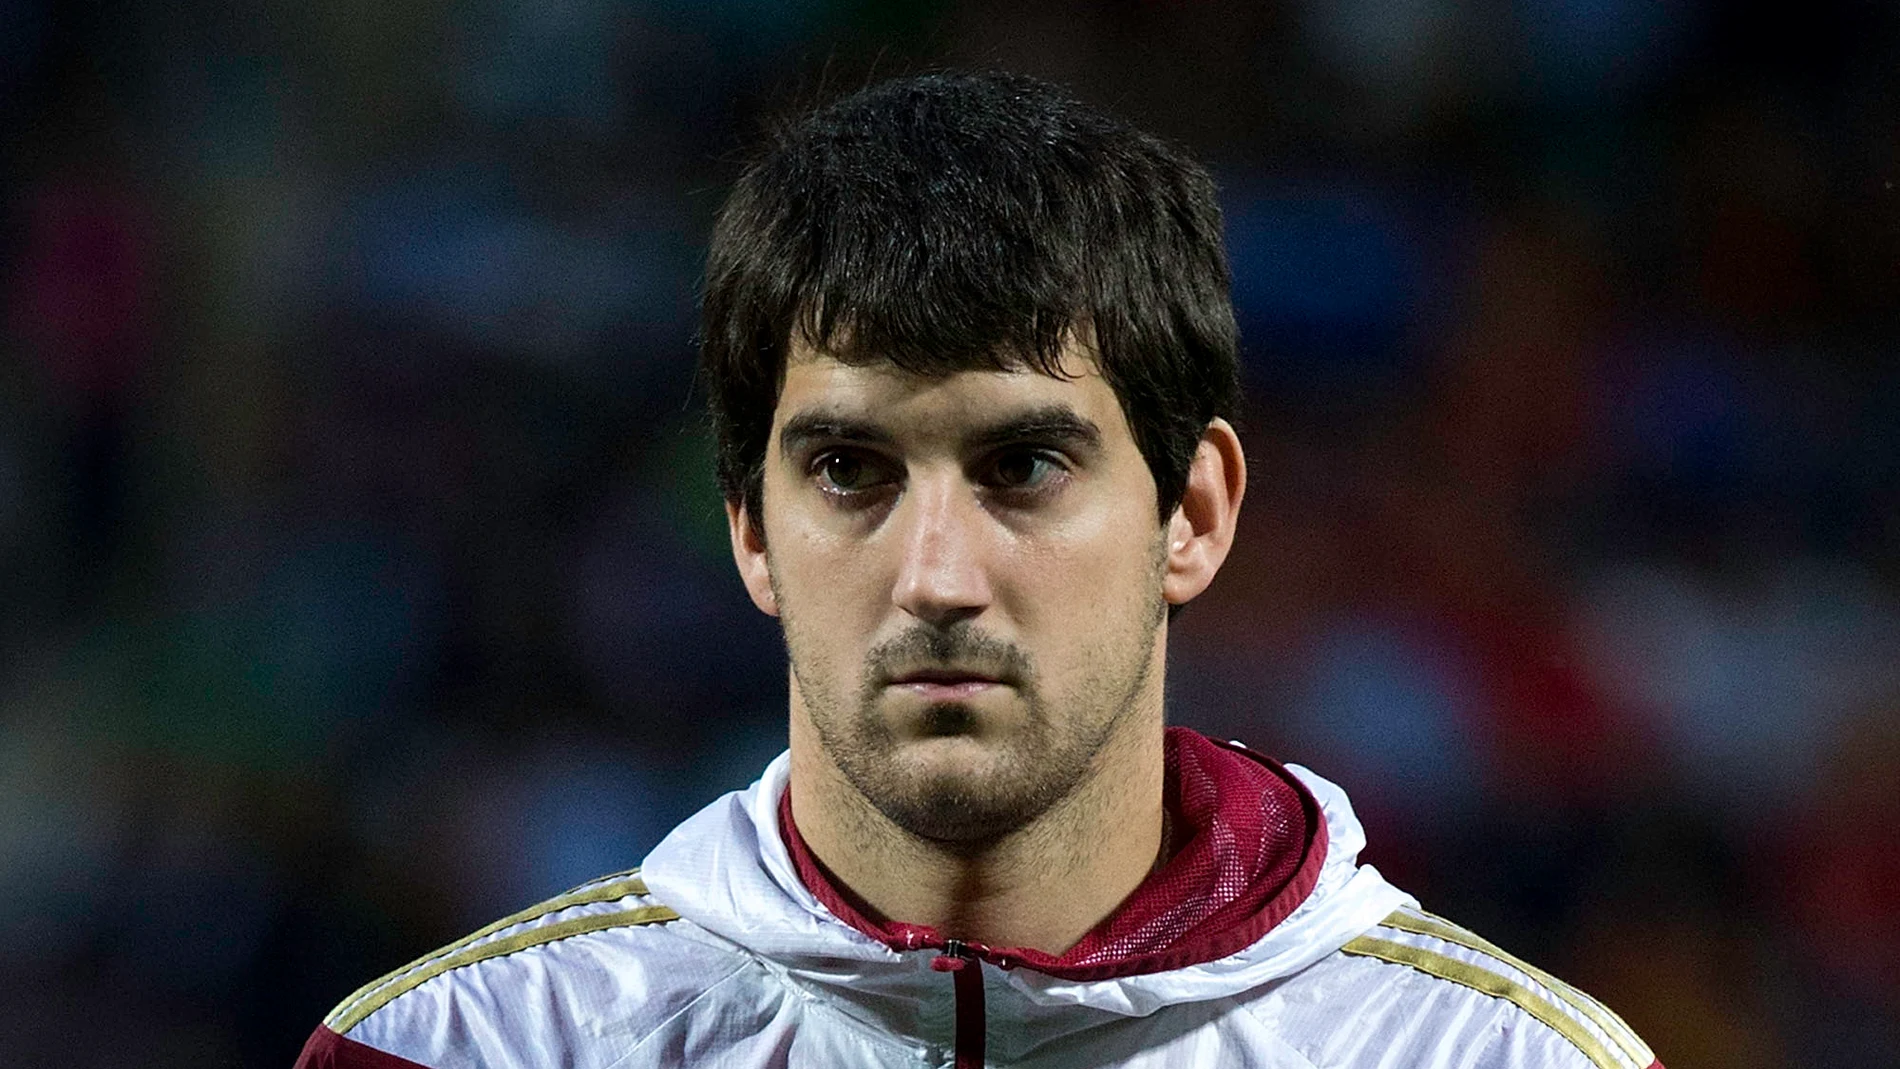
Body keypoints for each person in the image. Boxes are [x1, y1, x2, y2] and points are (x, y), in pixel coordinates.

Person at [295, 70, 1660, 1069]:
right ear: (750, 530)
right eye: (849, 473)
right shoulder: (451, 1054)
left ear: (1193, 511)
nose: (937, 576)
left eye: (1024, 468)